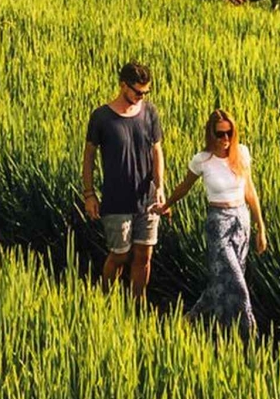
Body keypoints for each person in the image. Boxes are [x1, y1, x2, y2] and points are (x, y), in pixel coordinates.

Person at [154, 109, 267, 332]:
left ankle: (190, 320)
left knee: (222, 281)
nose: (225, 139)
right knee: (235, 281)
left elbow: (250, 192)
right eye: (220, 134)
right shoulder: (202, 160)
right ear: (210, 134)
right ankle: (245, 332)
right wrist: (166, 205)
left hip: (241, 221)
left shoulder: (241, 154)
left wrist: (260, 228)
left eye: (229, 133)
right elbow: (184, 187)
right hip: (218, 224)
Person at [82, 61, 165, 300]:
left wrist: (159, 187)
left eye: (145, 92)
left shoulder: (150, 113)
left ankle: (137, 306)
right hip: (116, 197)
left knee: (143, 255)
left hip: (146, 197)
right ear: (122, 86)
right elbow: (89, 156)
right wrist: (89, 194)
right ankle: (106, 301)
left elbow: (157, 151)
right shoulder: (101, 117)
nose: (142, 96)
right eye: (138, 91)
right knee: (119, 254)